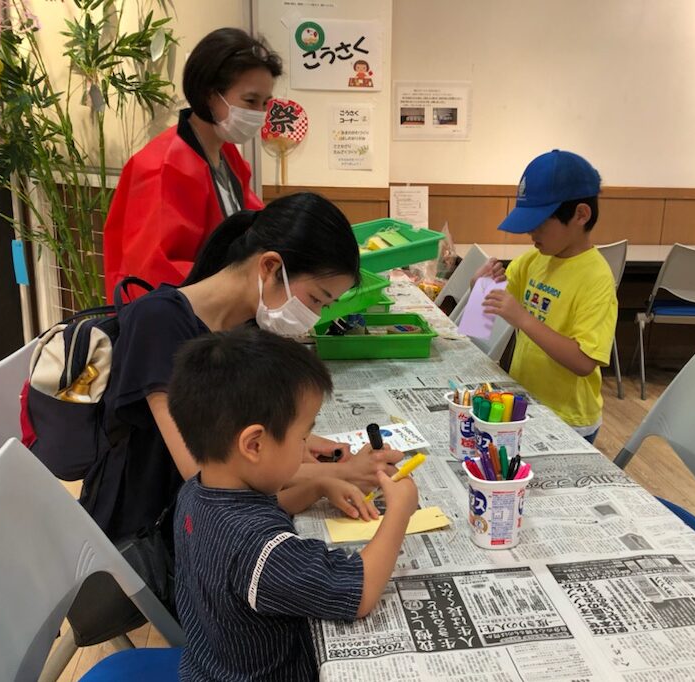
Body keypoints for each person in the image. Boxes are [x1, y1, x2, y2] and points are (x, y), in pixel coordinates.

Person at [83, 192, 403, 542]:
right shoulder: (158, 323)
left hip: (213, 515)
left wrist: (308, 447)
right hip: (148, 534)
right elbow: (206, 473)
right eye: (316, 299)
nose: (314, 317)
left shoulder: (249, 326)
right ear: (270, 267)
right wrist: (333, 475)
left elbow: (237, 435)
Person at [169, 327, 418, 681]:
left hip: (207, 666)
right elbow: (360, 591)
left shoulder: (196, 492)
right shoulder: (259, 550)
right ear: (254, 445)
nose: (306, 448)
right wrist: (400, 511)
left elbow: (268, 508)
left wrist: (318, 484)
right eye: (302, 437)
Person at [103, 28, 279, 300]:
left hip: (214, 309)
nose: (259, 113)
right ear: (210, 94)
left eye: (265, 103)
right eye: (250, 101)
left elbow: (253, 223)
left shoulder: (227, 154)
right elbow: (154, 272)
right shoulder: (162, 167)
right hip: (176, 315)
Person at [475, 150, 618, 443]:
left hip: (569, 419)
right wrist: (479, 287)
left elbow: (584, 362)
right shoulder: (534, 259)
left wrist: (523, 319)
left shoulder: (596, 279)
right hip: (526, 403)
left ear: (580, 215)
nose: (531, 233)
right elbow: (482, 319)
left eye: (540, 223)